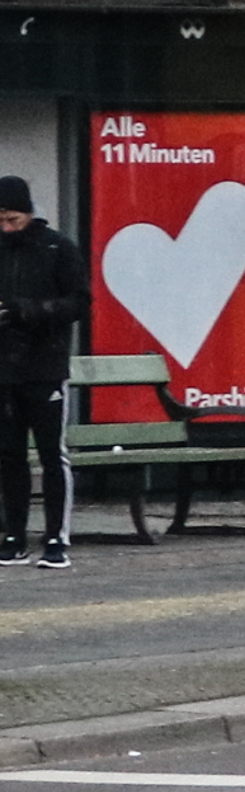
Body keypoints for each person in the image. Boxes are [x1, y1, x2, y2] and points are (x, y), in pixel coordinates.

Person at [0, 174, 89, 570]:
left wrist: (30, 311)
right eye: (0, 220)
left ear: (29, 213)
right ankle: (14, 536)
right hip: (6, 367)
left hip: (45, 365)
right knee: (10, 456)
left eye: (13, 219)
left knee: (53, 455)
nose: (6, 227)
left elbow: (78, 302)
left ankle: (56, 538)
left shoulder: (57, 248)